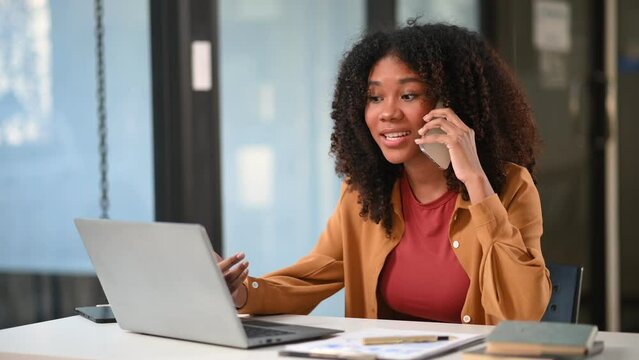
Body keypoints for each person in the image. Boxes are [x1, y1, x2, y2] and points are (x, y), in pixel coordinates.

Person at [216, 22, 551, 325]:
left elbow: (522, 313)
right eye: (374, 97)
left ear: (447, 104)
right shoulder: (364, 194)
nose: (387, 113)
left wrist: (476, 180)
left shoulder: (509, 187)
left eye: (408, 95)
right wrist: (240, 292)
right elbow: (309, 279)